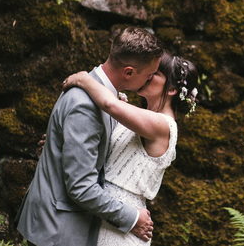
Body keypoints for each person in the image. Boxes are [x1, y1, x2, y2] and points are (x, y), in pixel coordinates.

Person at [16, 27, 164, 246]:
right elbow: (81, 186)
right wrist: (132, 218)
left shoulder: (98, 89)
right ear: (129, 72)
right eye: (149, 75)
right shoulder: (85, 105)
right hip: (59, 229)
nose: (150, 79)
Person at [62, 53, 198, 245]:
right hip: (100, 209)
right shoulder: (141, 117)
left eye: (156, 73)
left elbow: (109, 104)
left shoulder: (163, 125)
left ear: (172, 89)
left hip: (124, 224)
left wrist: (83, 79)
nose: (148, 75)